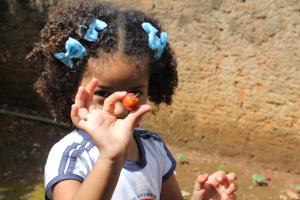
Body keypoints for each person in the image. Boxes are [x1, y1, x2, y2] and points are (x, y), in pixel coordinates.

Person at [27, 1, 238, 200]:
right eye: (102, 93)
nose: (119, 109)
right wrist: (110, 157)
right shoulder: (71, 156)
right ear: (74, 89)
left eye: (134, 94)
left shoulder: (154, 148)